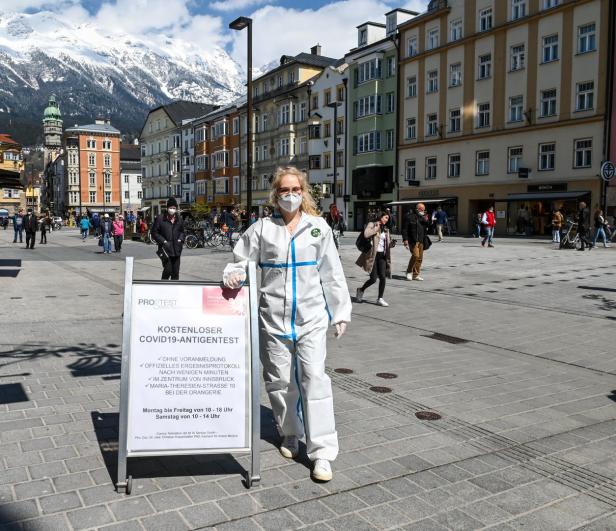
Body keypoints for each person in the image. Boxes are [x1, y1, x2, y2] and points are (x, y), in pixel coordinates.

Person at [222, 166, 351, 482]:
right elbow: (238, 262)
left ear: (303, 192)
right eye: (284, 190)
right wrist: (232, 275)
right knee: (279, 381)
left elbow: (332, 273)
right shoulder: (262, 229)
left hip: (311, 318)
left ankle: (321, 453)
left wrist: (340, 312)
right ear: (275, 194)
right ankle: (290, 433)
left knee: (314, 379)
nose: (290, 195)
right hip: (273, 320)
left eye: (295, 189)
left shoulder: (318, 228)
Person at [355, 211, 392, 307]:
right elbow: (366, 234)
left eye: (387, 218)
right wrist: (376, 227)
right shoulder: (372, 224)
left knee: (383, 277)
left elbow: (385, 243)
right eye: (385, 217)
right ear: (381, 217)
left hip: (382, 256)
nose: (387, 220)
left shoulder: (386, 229)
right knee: (373, 279)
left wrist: (391, 244)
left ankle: (380, 298)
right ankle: (361, 290)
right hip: (373, 256)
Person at [151, 197, 185, 280]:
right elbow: (154, 232)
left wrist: (180, 239)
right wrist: (164, 241)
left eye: (174, 208)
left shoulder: (179, 219)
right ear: (167, 208)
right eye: (170, 208)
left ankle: (174, 291)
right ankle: (162, 288)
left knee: (175, 272)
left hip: (177, 249)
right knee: (168, 270)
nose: (172, 210)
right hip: (165, 249)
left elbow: (183, 232)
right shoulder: (160, 218)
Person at [402, 203, 430, 281]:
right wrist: (405, 239)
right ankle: (409, 271)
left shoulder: (422, 218)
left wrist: (426, 220)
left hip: (421, 240)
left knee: (420, 258)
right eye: (422, 209)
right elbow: (404, 229)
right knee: (415, 255)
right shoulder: (409, 217)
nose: (423, 211)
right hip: (413, 241)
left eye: (424, 210)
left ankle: (416, 275)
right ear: (417, 209)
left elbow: (427, 226)